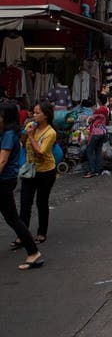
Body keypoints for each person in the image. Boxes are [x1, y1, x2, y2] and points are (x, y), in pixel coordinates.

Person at [0, 102, 43, 269]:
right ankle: (33, 252)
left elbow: (2, 161)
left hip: (4, 181)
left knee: (13, 218)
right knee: (12, 218)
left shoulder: (9, 135)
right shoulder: (5, 133)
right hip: (5, 180)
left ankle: (33, 253)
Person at [19, 101, 57, 244]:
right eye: (33, 112)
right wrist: (26, 132)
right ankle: (22, 234)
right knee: (25, 203)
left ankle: (42, 232)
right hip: (29, 169)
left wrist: (30, 136)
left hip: (45, 172)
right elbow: (24, 144)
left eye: (37, 113)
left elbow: (41, 152)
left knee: (41, 202)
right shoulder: (32, 128)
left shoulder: (50, 132)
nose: (33, 115)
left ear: (46, 115)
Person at [84, 93, 109, 178]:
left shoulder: (99, 110)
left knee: (89, 150)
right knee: (98, 151)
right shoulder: (106, 109)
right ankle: (98, 170)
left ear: (99, 100)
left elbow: (90, 120)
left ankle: (91, 171)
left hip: (96, 132)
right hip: (103, 131)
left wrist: (88, 118)